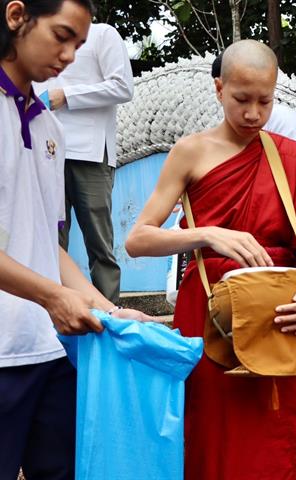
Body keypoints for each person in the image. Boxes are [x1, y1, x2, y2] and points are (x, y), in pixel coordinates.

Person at [125, 39, 296, 479]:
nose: (253, 114)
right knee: (217, 439)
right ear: (218, 88)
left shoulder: (286, 160)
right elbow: (137, 239)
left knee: (284, 443)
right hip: (211, 316)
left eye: (264, 101)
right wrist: (207, 234)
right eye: (241, 99)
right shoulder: (191, 151)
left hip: (278, 317)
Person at [0, 1, 150, 479]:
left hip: (46, 349)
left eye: (79, 46)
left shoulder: (49, 128)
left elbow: (47, 243)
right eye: (62, 36)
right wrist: (53, 296)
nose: (68, 56)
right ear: (16, 16)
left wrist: (106, 306)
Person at [36, 21, 134, 303]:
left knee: (99, 243)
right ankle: (52, 314)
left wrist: (65, 95)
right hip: (45, 152)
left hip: (90, 152)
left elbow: (123, 87)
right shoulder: (35, 37)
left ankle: (109, 316)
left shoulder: (102, 33)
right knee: (50, 242)